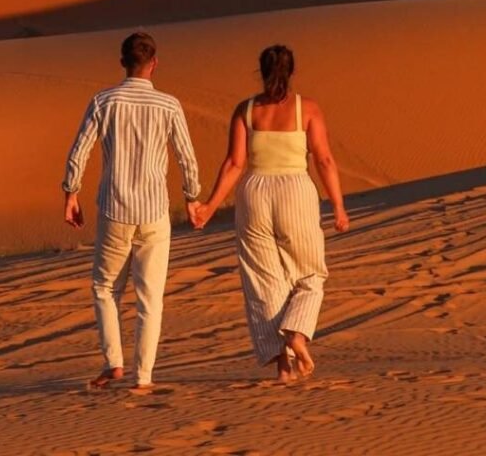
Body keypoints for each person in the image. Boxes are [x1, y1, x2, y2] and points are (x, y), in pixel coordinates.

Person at [193, 44, 348, 382]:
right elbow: (323, 160)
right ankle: (297, 333)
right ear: (291, 72)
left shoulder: (245, 110)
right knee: (310, 274)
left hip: (254, 194)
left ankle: (282, 365)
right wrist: (338, 205)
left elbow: (235, 164)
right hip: (295, 191)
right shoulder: (306, 109)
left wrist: (208, 207)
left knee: (264, 282)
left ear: (261, 72)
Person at [62, 31, 201, 391]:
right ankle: (143, 376)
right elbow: (187, 156)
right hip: (154, 212)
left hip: (115, 209)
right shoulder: (169, 105)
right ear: (154, 63)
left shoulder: (103, 101)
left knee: (105, 287)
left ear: (123, 62)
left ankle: (114, 363)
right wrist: (192, 197)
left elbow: (80, 151)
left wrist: (70, 193)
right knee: (150, 297)